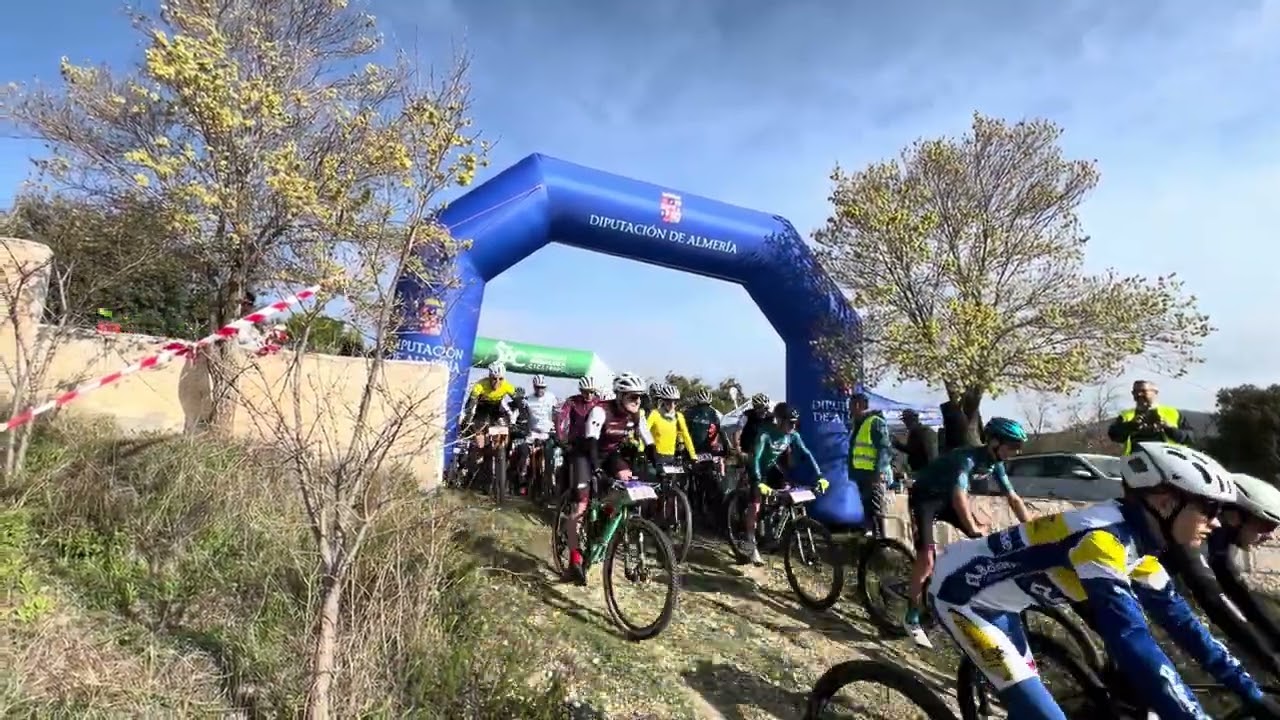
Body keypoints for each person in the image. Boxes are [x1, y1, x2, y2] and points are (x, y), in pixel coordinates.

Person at [929, 442, 1280, 720]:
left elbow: (1186, 627)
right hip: (962, 598)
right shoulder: (1101, 542)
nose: (1216, 523)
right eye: (1209, 509)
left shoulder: (1139, 545)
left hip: (1004, 603)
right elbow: (1131, 638)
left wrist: (1252, 694)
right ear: (1164, 502)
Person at [902, 417, 1031, 646]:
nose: (1016, 452)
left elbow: (1013, 498)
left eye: (1018, 447)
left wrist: (1032, 528)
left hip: (946, 499)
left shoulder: (995, 463)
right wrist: (971, 527)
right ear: (994, 442)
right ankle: (911, 616)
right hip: (925, 499)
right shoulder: (966, 459)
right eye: (1012, 446)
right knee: (927, 560)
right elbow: (959, 497)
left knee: (984, 538)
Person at [1161, 472, 1280, 680]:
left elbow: (1238, 591)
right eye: (1266, 526)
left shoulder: (1220, 538)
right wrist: (1271, 661)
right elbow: (1213, 598)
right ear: (1234, 516)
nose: (1270, 536)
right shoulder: (1196, 539)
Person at [563, 372, 661, 584]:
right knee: (580, 505)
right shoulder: (601, 410)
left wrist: (659, 467)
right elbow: (591, 441)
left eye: (640, 396)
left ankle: (606, 518)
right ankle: (574, 558)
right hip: (585, 454)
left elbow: (649, 442)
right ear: (620, 396)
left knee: (629, 483)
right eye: (632, 396)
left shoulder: (637, 415)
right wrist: (597, 471)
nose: (637, 401)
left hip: (610, 455)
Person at [742, 402, 828, 566]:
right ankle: (751, 542)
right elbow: (756, 458)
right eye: (790, 423)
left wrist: (820, 476)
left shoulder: (793, 435)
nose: (793, 426)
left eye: (795, 423)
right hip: (757, 468)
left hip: (772, 467)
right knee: (756, 504)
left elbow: (807, 454)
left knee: (787, 490)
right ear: (779, 421)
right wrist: (758, 482)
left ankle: (773, 525)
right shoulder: (765, 433)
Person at [848, 392, 893, 537]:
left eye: (851, 405)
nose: (849, 409)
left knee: (878, 510)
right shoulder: (859, 424)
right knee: (869, 509)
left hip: (874, 475)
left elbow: (884, 449)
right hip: (863, 474)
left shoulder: (875, 422)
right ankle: (873, 538)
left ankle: (883, 540)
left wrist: (878, 472)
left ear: (858, 405)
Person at [1108, 379, 1195, 453]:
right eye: (1135, 392)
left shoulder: (1173, 413)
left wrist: (1169, 429)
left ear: (1155, 393)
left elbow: (1190, 438)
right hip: (1135, 462)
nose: (1139, 394)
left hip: (1167, 460)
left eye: (1143, 391)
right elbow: (1114, 435)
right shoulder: (1126, 415)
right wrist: (1131, 425)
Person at [464, 362, 516, 479]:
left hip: (496, 413)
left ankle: (501, 457)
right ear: (489, 377)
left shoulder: (507, 386)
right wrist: (468, 419)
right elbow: (470, 405)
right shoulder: (480, 385)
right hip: (481, 413)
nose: (497, 382)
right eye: (494, 378)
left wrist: (523, 414)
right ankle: (475, 464)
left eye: (500, 379)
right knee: (480, 444)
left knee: (505, 433)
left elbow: (519, 402)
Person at [556, 376, 600, 494]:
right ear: (581, 391)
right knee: (566, 463)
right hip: (575, 442)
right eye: (586, 392)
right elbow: (560, 419)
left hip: (593, 442)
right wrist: (560, 438)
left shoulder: (599, 402)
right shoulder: (572, 401)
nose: (589, 395)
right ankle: (563, 493)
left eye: (592, 392)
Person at [647, 384, 697, 466]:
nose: (672, 405)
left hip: (672, 456)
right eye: (668, 402)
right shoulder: (655, 414)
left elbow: (686, 436)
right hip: (655, 455)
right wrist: (640, 450)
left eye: (675, 402)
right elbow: (645, 432)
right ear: (663, 401)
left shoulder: (679, 416)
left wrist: (693, 456)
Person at [526, 375, 559, 490]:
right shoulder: (528, 399)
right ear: (534, 387)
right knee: (526, 456)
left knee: (551, 456)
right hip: (533, 433)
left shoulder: (552, 398)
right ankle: (526, 480)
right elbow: (524, 416)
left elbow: (557, 414)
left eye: (543, 387)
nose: (540, 390)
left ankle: (551, 482)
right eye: (538, 387)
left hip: (547, 433)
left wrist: (557, 429)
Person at [684, 388, 728, 474]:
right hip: (706, 448)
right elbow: (720, 430)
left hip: (695, 448)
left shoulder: (689, 412)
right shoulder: (713, 413)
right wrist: (725, 449)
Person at [892, 409, 938, 478]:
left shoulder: (916, 432)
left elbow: (910, 450)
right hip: (929, 467)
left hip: (921, 469)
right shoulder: (927, 430)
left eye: (905, 420)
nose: (905, 423)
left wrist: (897, 444)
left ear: (912, 420)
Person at [733, 393, 771, 462]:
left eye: (766, 408)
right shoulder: (746, 416)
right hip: (747, 452)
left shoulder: (770, 418)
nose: (764, 412)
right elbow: (737, 432)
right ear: (755, 408)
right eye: (761, 409)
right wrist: (738, 450)